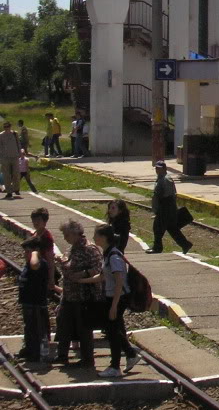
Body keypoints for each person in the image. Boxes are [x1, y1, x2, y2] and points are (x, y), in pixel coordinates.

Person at [85, 224, 139, 378]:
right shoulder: (107, 254)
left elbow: (119, 282)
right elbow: (102, 277)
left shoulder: (114, 256)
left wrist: (114, 306)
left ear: (103, 237)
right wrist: (81, 280)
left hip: (118, 297)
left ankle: (116, 366)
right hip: (111, 296)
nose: (94, 238)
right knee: (115, 329)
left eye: (96, 235)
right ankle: (130, 355)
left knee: (112, 331)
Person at [55, 220, 102, 368]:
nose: (65, 238)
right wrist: (62, 262)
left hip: (83, 296)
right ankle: (62, 355)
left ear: (76, 233)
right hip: (69, 294)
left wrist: (83, 274)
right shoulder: (72, 249)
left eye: (67, 234)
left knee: (84, 329)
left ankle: (87, 359)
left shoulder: (89, 249)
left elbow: (99, 268)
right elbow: (69, 266)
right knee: (64, 324)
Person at [147, 160, 192, 254]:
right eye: (156, 168)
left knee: (157, 228)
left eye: (159, 168)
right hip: (165, 207)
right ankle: (185, 244)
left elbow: (168, 195)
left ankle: (157, 247)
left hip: (166, 207)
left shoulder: (166, 179)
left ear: (164, 169)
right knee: (172, 228)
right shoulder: (161, 178)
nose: (157, 170)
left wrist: (162, 206)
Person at [31, 207, 58, 360]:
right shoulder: (36, 234)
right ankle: (40, 334)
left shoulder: (46, 237)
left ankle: (45, 336)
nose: (35, 223)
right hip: (36, 276)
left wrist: (51, 279)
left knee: (42, 307)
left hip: (43, 275)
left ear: (45, 221)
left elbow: (50, 259)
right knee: (38, 307)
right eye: (34, 220)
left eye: (38, 220)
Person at [16, 237, 48, 363]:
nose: (25, 254)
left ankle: (36, 353)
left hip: (36, 304)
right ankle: (29, 350)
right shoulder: (28, 264)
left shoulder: (39, 263)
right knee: (29, 328)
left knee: (36, 330)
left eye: (28, 251)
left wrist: (34, 253)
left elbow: (34, 265)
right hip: (28, 303)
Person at [0, 121, 21, 199]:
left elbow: (18, 144)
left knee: (16, 174)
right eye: (5, 127)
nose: (6, 128)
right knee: (6, 175)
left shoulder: (14, 134)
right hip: (5, 158)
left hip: (15, 156)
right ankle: (9, 191)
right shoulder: (1, 135)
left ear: (10, 126)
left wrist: (20, 153)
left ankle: (16, 188)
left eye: (7, 126)